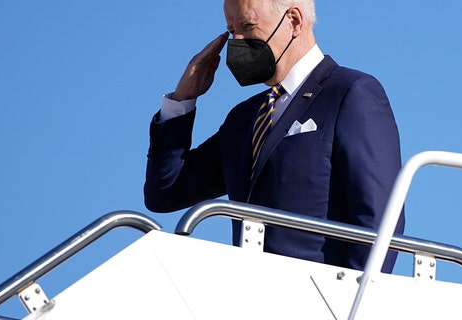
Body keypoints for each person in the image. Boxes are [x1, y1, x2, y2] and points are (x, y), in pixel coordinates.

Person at [144, 0, 405, 273]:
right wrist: (182, 100)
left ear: (294, 21)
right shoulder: (243, 119)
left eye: (247, 26)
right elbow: (165, 192)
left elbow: (379, 217)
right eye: (231, 30)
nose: (238, 41)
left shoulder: (350, 93)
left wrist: (354, 303)